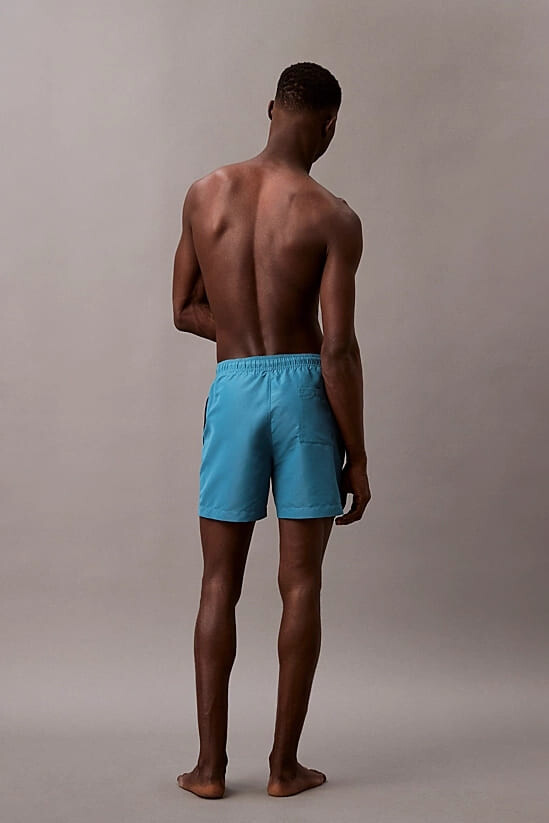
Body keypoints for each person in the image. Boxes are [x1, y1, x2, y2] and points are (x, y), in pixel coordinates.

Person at [172, 61, 371, 800]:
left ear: (270, 108)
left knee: (217, 582)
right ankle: (284, 770)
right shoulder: (332, 216)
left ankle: (209, 770)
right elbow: (337, 349)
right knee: (301, 583)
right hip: (303, 394)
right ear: (329, 125)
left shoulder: (205, 193)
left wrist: (241, 341)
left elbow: (183, 308)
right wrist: (358, 455)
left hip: (233, 389)